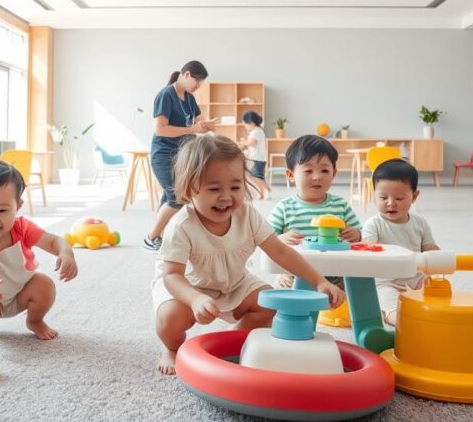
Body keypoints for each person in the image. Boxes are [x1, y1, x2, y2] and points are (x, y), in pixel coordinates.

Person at [152, 134, 345, 374]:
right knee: (170, 318)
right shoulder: (181, 225)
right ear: (191, 189)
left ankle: (231, 341)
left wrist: (319, 281)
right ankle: (171, 348)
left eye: (235, 187)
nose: (226, 196)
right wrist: (195, 299)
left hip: (234, 281)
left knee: (269, 302)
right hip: (190, 286)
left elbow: (280, 251)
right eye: (214, 188)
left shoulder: (247, 214)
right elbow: (172, 276)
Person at [0, 161, 78, 340]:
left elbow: (54, 241)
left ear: (17, 205)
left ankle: (35, 320)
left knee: (45, 285)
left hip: (20, 293)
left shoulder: (22, 228)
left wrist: (65, 253)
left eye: (2, 210)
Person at [266, 135, 361, 289]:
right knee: (289, 305)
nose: (317, 177)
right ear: (291, 175)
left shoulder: (341, 206)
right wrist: (280, 239)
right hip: (293, 276)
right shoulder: (284, 207)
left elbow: (361, 234)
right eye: (308, 171)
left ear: (334, 174)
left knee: (342, 305)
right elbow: (265, 238)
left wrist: (357, 234)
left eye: (324, 170)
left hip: (335, 277)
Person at [142, 61, 217, 251]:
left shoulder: (190, 99)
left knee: (169, 197)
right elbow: (160, 130)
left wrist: (205, 126)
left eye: (201, 82)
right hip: (164, 155)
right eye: (197, 80)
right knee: (178, 197)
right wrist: (193, 129)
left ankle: (162, 236)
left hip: (182, 156)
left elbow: (198, 122)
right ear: (186, 74)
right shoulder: (166, 95)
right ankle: (151, 238)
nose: (198, 85)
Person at [361, 159, 440, 326]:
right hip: (385, 281)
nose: (391, 203)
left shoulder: (420, 223)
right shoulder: (373, 225)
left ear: (414, 196)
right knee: (395, 312)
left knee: (439, 293)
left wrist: (439, 258)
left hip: (416, 276)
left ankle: (435, 317)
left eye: (399, 198)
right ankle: (400, 320)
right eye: (383, 197)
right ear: (373, 195)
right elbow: (365, 249)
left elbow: (430, 248)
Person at [238, 110, 270, 199]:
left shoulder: (257, 131)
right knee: (256, 176)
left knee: (256, 177)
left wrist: (243, 142)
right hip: (257, 157)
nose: (245, 127)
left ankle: (263, 192)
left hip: (257, 158)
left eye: (245, 124)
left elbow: (252, 143)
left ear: (251, 123)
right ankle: (264, 190)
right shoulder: (257, 131)